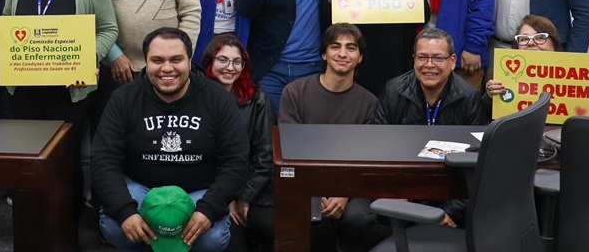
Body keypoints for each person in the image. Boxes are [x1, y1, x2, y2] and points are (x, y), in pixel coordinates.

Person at [1, 0, 119, 213]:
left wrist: (87, 58)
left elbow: (108, 29)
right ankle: (29, 226)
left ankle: (67, 230)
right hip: (24, 89)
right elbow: (8, 19)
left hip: (70, 90)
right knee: (27, 159)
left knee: (66, 163)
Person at [91, 27, 249, 252]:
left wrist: (208, 210)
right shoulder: (124, 99)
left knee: (213, 239)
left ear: (190, 61)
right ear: (146, 62)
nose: (167, 68)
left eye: (176, 59)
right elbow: (103, 160)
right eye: (157, 60)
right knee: (114, 226)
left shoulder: (218, 99)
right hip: (141, 190)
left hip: (197, 193)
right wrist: (125, 212)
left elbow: (236, 162)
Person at [278, 23, 381, 251]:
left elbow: (367, 158)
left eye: (351, 48)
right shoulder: (295, 92)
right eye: (335, 46)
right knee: (309, 219)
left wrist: (344, 193)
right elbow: (290, 151)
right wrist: (317, 192)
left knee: (359, 219)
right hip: (305, 183)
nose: (342, 54)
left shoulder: (370, 103)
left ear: (360, 57)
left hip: (350, 186)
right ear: (324, 54)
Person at [371, 27, 484, 228]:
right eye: (422, 57)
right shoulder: (393, 90)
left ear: (452, 61)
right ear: (414, 59)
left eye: (438, 58)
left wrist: (452, 212)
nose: (429, 65)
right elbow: (377, 148)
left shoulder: (469, 98)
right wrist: (392, 193)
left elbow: (478, 164)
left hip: (448, 194)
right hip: (403, 187)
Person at [199, 34, 275, 252]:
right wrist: (226, 196)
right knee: (232, 244)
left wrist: (244, 197)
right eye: (222, 60)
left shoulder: (258, 100)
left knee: (274, 227)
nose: (230, 67)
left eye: (236, 61)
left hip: (252, 188)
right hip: (209, 189)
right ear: (210, 62)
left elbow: (265, 155)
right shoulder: (195, 98)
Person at [484, 15, 589, 120]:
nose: (530, 43)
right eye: (523, 39)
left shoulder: (575, 73)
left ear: (555, 44)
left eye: (540, 37)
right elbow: (486, 113)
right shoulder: (508, 74)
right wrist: (490, 96)